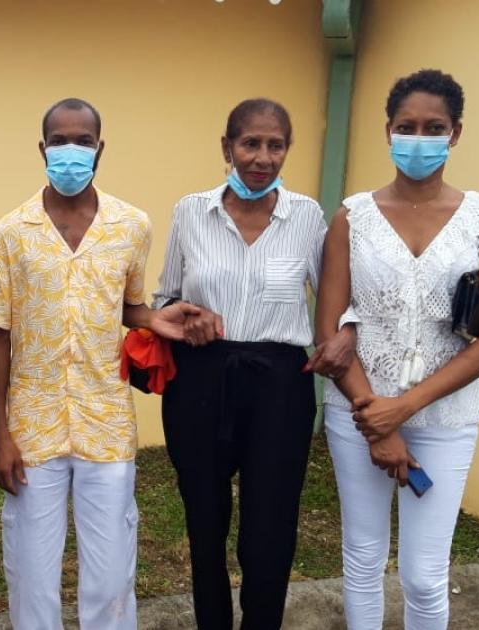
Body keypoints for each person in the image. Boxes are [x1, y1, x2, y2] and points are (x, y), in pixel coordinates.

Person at [0, 98, 195, 630]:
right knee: (31, 571)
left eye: (81, 141)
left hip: (106, 421)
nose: (69, 151)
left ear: (100, 148)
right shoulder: (11, 232)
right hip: (32, 425)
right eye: (59, 140)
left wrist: (156, 320)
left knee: (110, 570)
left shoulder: (132, 226)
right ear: (41, 148)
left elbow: (125, 303)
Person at [316, 69, 479, 630]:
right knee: (361, 557)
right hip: (357, 409)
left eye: (434, 128)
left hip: (446, 415)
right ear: (387, 131)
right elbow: (328, 329)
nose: (419, 139)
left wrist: (401, 410)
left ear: (455, 134)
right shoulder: (351, 217)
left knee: (425, 574)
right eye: (407, 127)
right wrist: (376, 417)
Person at [151, 98, 358, 629]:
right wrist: (184, 315)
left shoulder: (307, 215)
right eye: (250, 143)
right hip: (199, 378)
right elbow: (163, 299)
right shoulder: (191, 211)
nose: (262, 157)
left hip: (279, 385)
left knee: (270, 526)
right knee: (205, 519)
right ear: (227, 147)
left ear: (287, 150)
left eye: (275, 145)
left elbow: (338, 297)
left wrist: (347, 332)